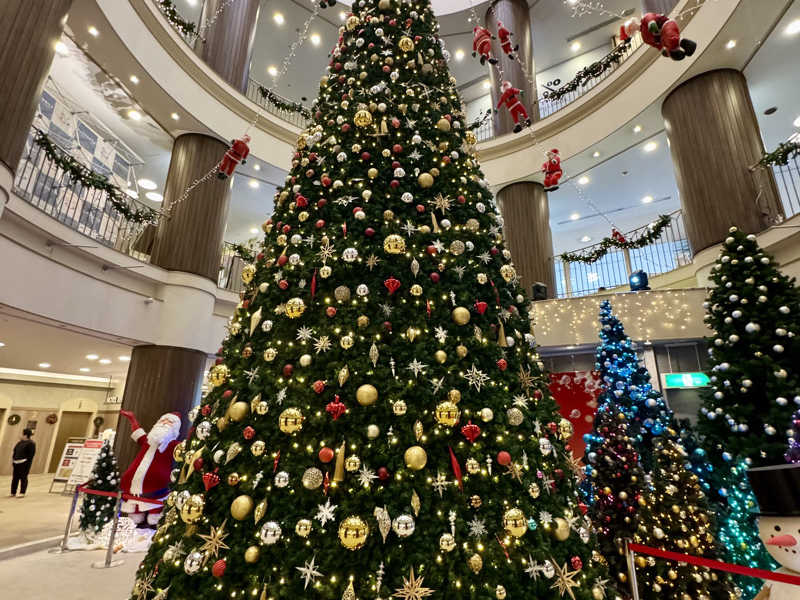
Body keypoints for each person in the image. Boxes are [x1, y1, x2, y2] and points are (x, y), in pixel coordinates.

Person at [11, 428, 36, 497]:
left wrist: (26, 463)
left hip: (24, 463)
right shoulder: (19, 442)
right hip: (16, 463)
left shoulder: (31, 443)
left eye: (22, 434)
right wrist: (13, 460)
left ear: (25, 435)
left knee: (23, 478)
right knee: (15, 478)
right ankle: (13, 492)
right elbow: (15, 451)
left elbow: (31, 455)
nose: (20, 435)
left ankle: (22, 492)